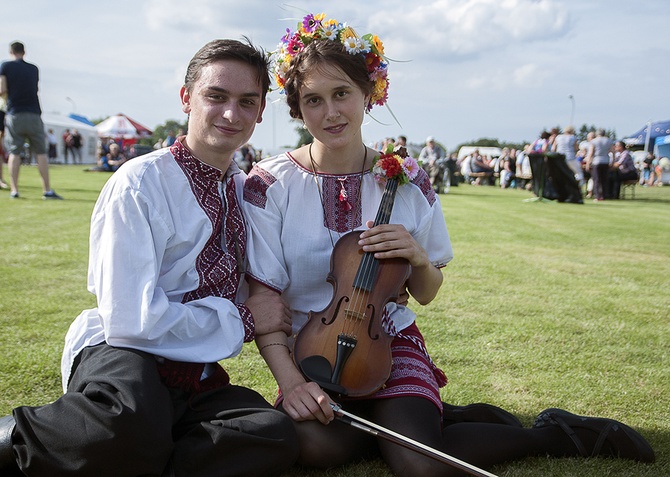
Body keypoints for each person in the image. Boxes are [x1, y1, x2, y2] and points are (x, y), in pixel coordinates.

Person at [241, 13, 655, 477]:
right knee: (316, 449)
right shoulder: (269, 184)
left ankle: (557, 432)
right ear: (297, 107)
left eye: (342, 94)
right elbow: (264, 297)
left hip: (387, 344)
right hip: (313, 355)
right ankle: (435, 417)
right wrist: (291, 381)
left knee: (422, 468)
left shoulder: (405, 179)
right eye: (313, 100)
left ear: (368, 93)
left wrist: (416, 256)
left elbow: (427, 291)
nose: (331, 112)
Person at [0, 38, 299, 476]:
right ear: (187, 98)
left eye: (246, 102)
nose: (231, 113)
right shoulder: (139, 182)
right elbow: (130, 320)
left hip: (193, 367)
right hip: (124, 355)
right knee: (126, 421)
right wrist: (245, 318)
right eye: (216, 96)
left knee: (272, 430)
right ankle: (17, 439)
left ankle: (144, 453)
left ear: (259, 111)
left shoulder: (242, 191)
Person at [0, 41, 62, 199]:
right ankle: (47, 190)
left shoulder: (5, 66)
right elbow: (36, 89)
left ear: (11, 52)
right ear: (24, 52)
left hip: (15, 114)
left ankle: (15, 190)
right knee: (41, 152)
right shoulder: (34, 69)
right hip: (34, 113)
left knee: (15, 151)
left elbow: (2, 89)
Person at [584, 128, 613, 201]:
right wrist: (612, 161)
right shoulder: (608, 140)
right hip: (605, 161)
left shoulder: (593, 141)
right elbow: (612, 151)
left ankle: (597, 196)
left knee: (596, 179)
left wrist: (588, 163)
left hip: (596, 161)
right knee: (604, 179)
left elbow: (591, 153)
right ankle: (604, 195)